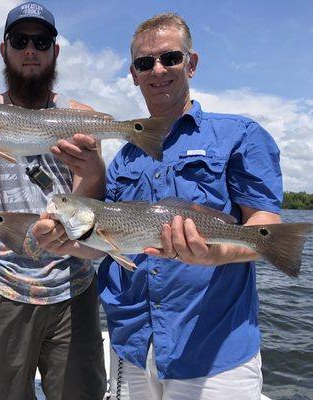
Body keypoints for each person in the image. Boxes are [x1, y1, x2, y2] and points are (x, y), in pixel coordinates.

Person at [35, 12, 283, 400]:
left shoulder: (240, 134)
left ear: (192, 63)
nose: (158, 70)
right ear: (134, 74)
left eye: (171, 57)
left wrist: (216, 255)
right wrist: (68, 244)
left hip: (212, 350)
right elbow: (109, 242)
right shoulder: (124, 159)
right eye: (144, 63)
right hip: (131, 345)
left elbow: (265, 221)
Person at [0, 2, 107, 399]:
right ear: (4, 49)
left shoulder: (79, 115)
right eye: (20, 40)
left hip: (74, 289)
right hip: (4, 288)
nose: (31, 50)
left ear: (55, 52)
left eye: (41, 41)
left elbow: (91, 203)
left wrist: (94, 172)